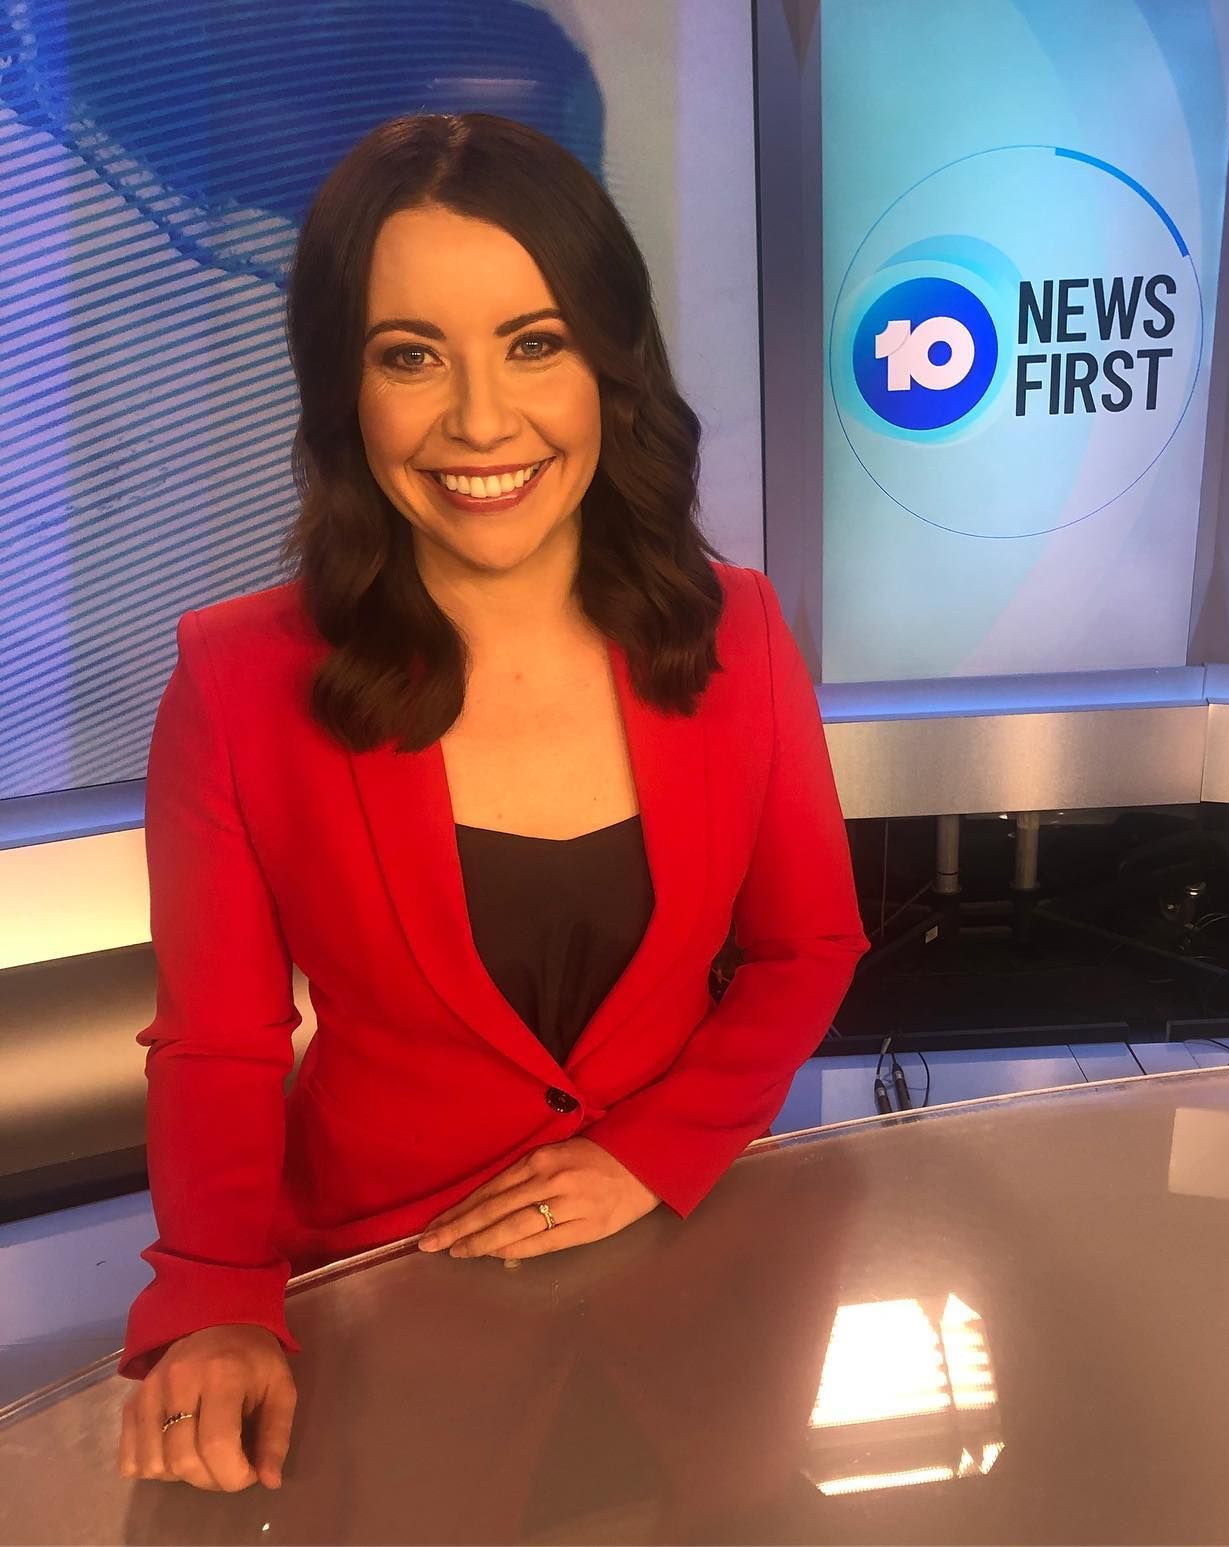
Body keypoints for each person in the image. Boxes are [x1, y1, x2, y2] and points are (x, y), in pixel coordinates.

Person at [112, 112, 868, 1494]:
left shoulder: (740, 631)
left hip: (685, 1271)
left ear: (612, 367)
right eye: (411, 355)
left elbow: (806, 948)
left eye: (535, 343)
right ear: (343, 387)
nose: (478, 420)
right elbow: (219, 1043)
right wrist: (216, 1296)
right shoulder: (236, 682)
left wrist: (649, 1153)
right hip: (390, 1291)